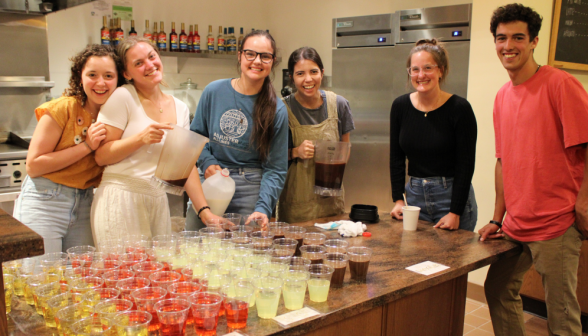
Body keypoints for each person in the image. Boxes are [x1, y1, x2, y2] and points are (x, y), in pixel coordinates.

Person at [478, 4, 588, 336]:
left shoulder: (560, 84)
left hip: (557, 223)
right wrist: (498, 218)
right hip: (516, 223)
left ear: (534, 41)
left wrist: (582, 204)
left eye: (517, 37)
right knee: (498, 290)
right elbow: (503, 161)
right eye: (501, 38)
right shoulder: (501, 97)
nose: (508, 45)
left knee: (562, 316)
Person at [91, 37, 218, 246]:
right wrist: (140, 139)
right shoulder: (123, 97)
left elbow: (184, 167)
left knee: (157, 274)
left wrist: (205, 211)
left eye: (152, 57)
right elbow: (101, 156)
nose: (149, 65)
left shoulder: (180, 108)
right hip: (121, 198)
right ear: (127, 74)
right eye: (138, 63)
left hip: (158, 200)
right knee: (125, 275)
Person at [14, 44, 124, 253]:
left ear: (119, 79)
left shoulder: (114, 117)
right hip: (45, 201)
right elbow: (34, 166)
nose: (100, 83)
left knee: (80, 281)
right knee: (44, 280)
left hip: (86, 203)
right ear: (80, 77)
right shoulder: (62, 108)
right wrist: (87, 146)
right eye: (92, 74)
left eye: (108, 75)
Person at [185, 30, 288, 230]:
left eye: (265, 56)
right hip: (210, 181)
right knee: (195, 249)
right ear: (240, 55)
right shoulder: (213, 92)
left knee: (242, 256)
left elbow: (275, 169)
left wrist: (263, 207)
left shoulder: (277, 110)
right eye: (251, 54)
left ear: (273, 62)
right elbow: (195, 137)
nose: (257, 61)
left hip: (250, 188)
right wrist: (207, 161)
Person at [389, 39, 478, 231]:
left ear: (441, 70)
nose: (421, 75)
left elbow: (466, 164)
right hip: (413, 198)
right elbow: (396, 157)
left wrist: (455, 212)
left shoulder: (460, 108)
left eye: (428, 68)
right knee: (414, 258)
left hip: (450, 198)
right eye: (415, 69)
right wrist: (398, 199)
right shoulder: (400, 106)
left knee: (452, 261)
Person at [277, 47, 354, 223]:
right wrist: (296, 152)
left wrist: (334, 164)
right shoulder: (282, 110)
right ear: (291, 77)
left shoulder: (339, 105)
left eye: (313, 72)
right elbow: (270, 158)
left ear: (322, 73)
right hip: (296, 204)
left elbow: (346, 147)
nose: (308, 79)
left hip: (331, 202)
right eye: (300, 74)